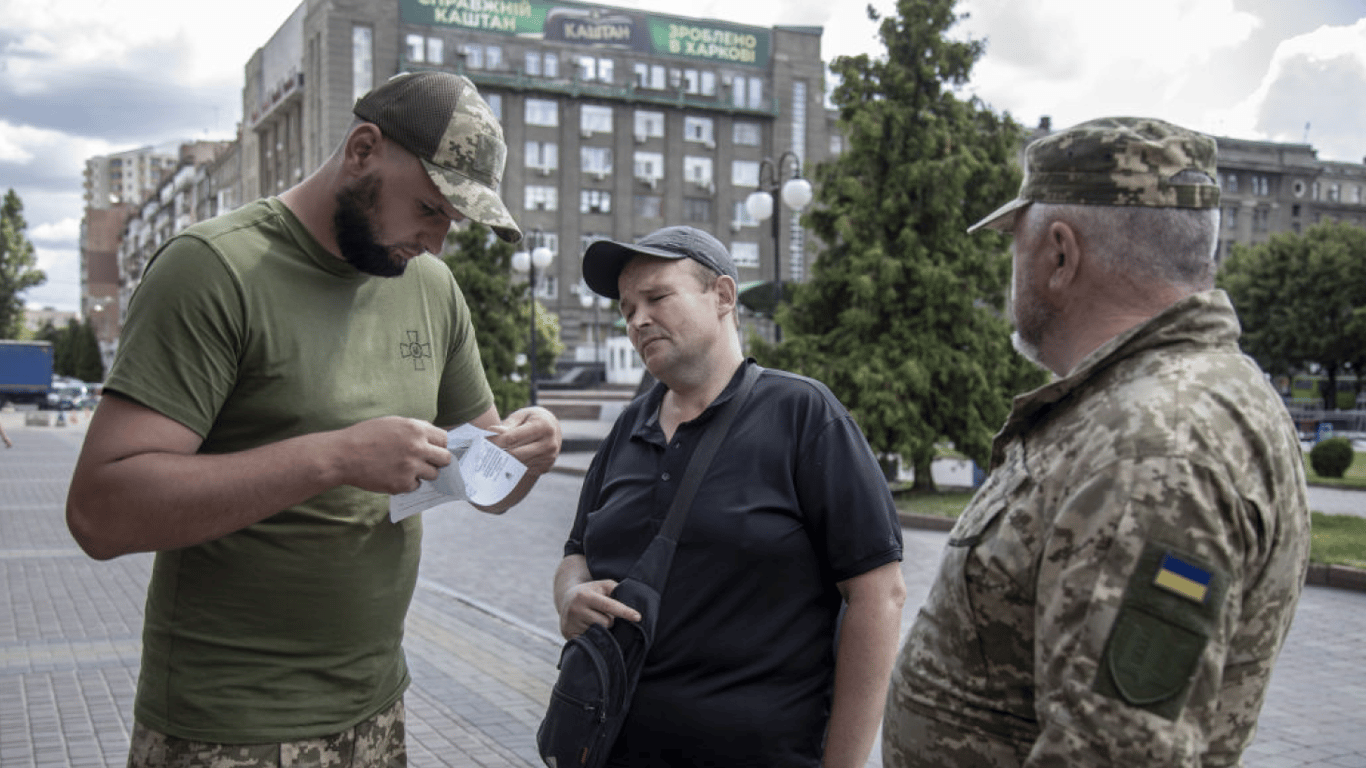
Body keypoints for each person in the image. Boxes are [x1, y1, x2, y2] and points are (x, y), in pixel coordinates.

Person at [65, 71, 561, 766]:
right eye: (428, 207)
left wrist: (526, 453)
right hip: (230, 726)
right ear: (362, 149)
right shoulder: (215, 270)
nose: (437, 240)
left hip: (377, 708)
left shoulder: (430, 287)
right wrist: (333, 458)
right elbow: (101, 513)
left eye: (453, 221)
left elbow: (487, 483)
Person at [883, 117, 1311, 766]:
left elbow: (1117, 752)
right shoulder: (1156, 404)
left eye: (1015, 244)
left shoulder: (1154, 445)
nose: (1011, 269)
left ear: (1060, 253)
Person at [555, 225, 907, 767]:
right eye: (627, 309)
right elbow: (575, 550)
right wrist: (570, 594)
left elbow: (879, 596)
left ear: (721, 296)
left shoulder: (802, 414)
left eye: (657, 297)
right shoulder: (629, 427)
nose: (637, 319)